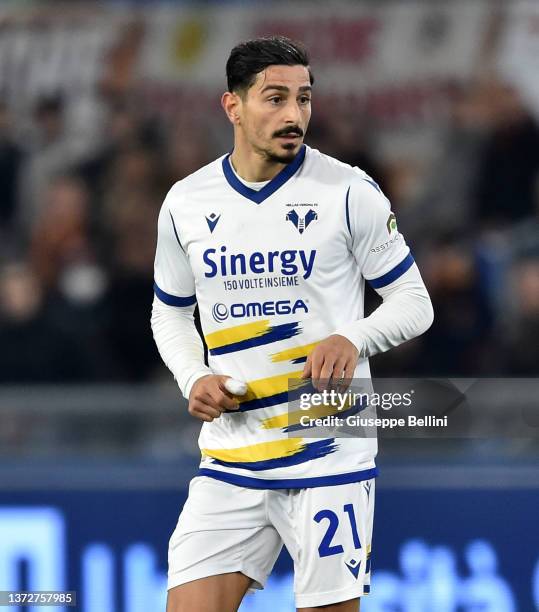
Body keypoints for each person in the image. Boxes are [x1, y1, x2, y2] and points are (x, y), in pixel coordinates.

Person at [151, 36, 433, 612]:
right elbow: (170, 311)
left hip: (329, 451)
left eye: (303, 99)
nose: (293, 115)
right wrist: (192, 376)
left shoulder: (349, 192)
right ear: (232, 106)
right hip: (230, 454)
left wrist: (352, 336)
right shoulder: (185, 202)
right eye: (274, 98)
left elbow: (414, 301)